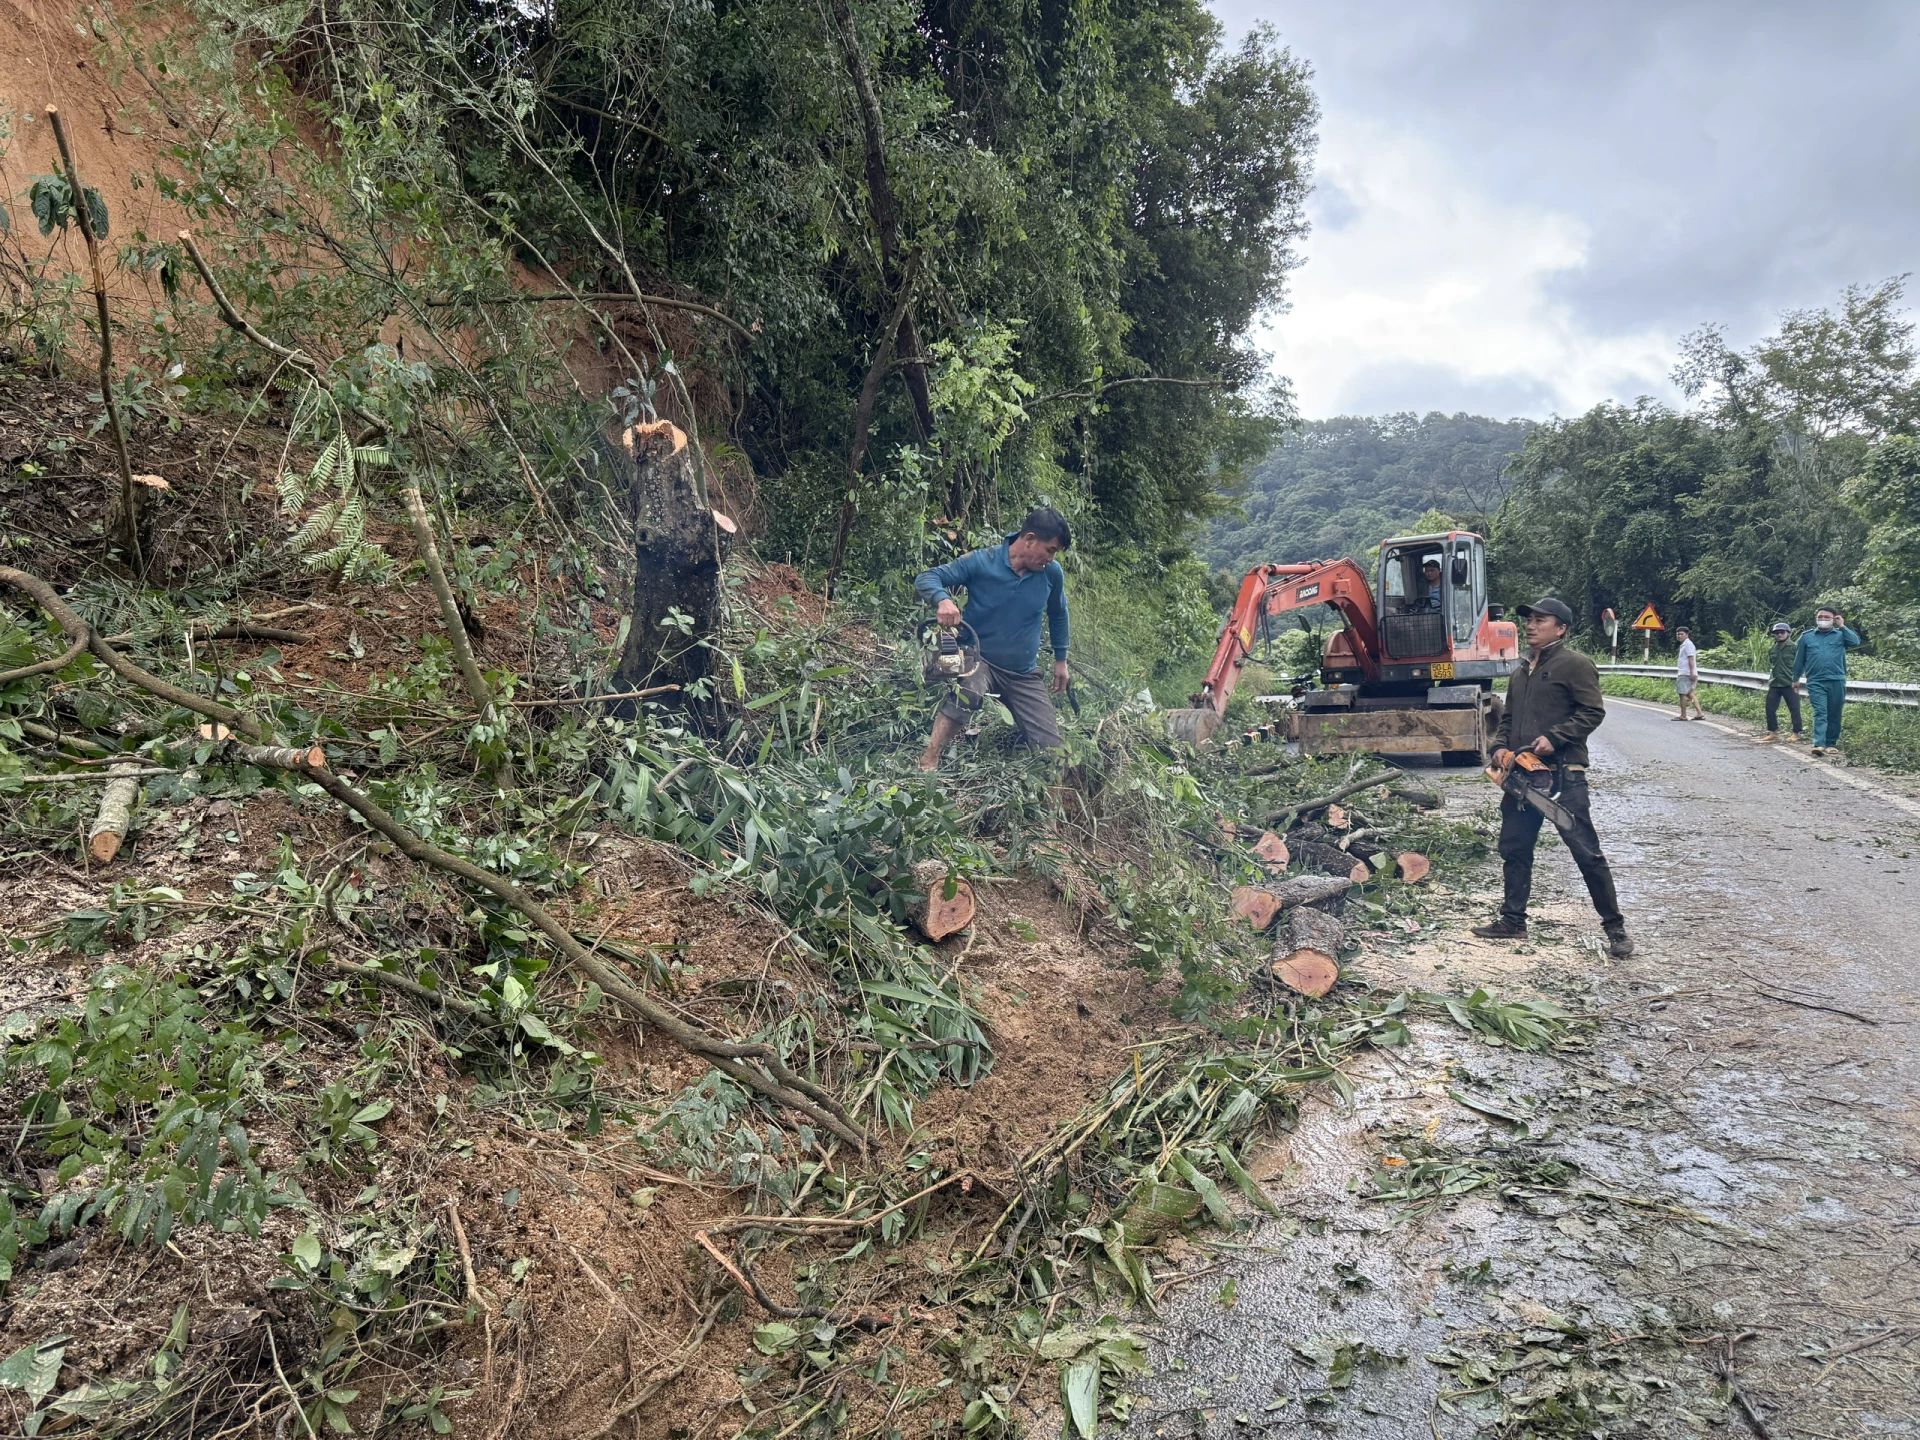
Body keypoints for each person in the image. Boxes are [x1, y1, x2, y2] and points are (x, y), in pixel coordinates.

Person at [1471, 596, 1635, 958]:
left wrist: (1556, 738)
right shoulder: (1520, 671)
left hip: (1563, 774)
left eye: (1540, 621)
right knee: (1514, 848)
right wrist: (1499, 747)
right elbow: (1507, 719)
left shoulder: (1575, 665)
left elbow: (1592, 712)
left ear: (1561, 628)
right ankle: (1513, 921)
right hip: (1521, 776)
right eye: (1529, 620)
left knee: (1586, 852)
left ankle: (1615, 929)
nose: (1531, 626)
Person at [914, 507, 1072, 771]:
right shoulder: (982, 561)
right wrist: (943, 600)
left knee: (1052, 749)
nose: (1051, 558)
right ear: (1030, 539)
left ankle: (1052, 789)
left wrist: (1061, 660)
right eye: (1050, 550)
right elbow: (927, 577)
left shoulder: (1051, 574)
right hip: (980, 659)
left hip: (1023, 673)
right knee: (969, 691)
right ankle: (929, 760)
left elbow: (1058, 614)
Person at [1793, 605, 1861, 757]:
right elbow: (1799, 659)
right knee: (1820, 711)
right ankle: (1819, 743)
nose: (1823, 619)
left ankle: (1831, 743)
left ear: (1834, 619)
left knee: (1834, 712)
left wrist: (1842, 626)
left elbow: (1855, 642)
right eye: (1820, 617)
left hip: (1836, 680)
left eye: (1826, 617)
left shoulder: (1840, 635)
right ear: (1816, 619)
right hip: (1816, 680)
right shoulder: (1806, 637)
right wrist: (1795, 678)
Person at [1757, 621, 1803, 743]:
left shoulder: (1794, 648)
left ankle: (1796, 733)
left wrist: (1797, 679)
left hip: (1789, 683)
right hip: (1775, 683)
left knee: (1794, 708)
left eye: (1782, 632)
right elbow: (1772, 664)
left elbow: (1801, 664)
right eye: (1776, 633)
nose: (1779, 635)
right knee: (1770, 708)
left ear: (1788, 633)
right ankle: (1773, 732)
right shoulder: (1772, 649)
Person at [1673, 625, 1701, 721]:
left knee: (1682, 694)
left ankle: (1683, 715)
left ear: (1687, 635)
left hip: (1686, 673)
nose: (1679, 636)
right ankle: (1700, 713)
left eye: (1681, 634)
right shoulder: (1685, 644)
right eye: (1678, 634)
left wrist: (1692, 672)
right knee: (1690, 694)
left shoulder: (1688, 644)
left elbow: (1691, 659)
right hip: (1688, 672)